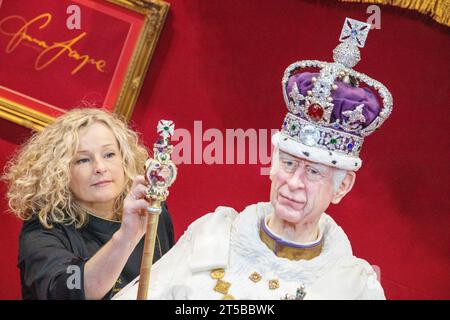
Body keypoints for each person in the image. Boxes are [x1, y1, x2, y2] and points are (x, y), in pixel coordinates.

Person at [114, 18, 391, 300]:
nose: (293, 183)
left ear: (342, 186)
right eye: (289, 163)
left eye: (314, 173)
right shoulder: (213, 234)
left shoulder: (353, 286)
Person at [2, 108, 175, 300]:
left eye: (109, 154)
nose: (100, 168)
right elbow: (67, 290)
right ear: (60, 173)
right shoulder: (42, 231)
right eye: (83, 160)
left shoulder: (149, 209)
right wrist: (126, 238)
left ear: (125, 159)